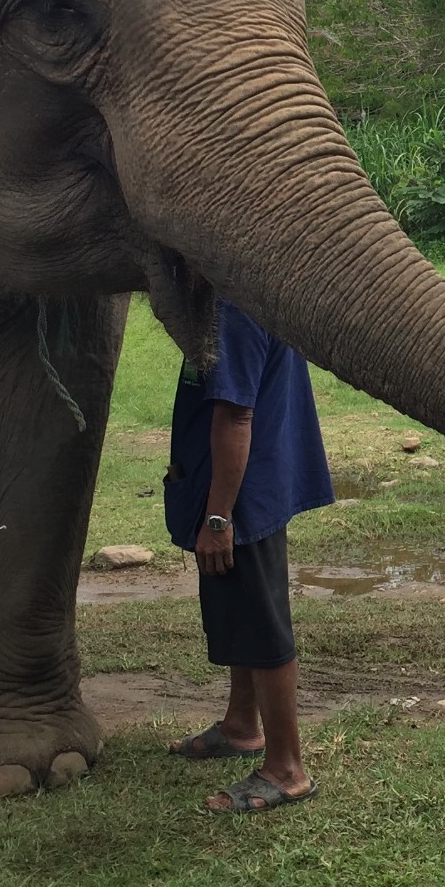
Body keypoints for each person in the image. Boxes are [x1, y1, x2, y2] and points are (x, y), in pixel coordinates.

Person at [163, 299, 333, 812]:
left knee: (260, 622)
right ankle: (241, 726)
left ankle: (286, 769)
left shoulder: (232, 307)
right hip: (246, 488)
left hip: (240, 496)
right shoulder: (248, 293)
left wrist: (218, 518)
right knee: (238, 607)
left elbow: (236, 416)